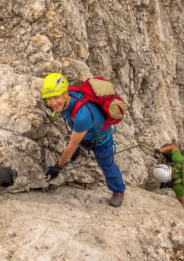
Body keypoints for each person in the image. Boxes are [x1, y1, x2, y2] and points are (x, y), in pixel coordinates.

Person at [40, 72, 126, 207]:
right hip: (84, 133)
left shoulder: (82, 116)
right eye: (49, 99)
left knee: (107, 165)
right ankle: (78, 149)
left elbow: (71, 146)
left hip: (100, 140)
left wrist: (57, 168)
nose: (52, 103)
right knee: (74, 144)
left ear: (65, 93)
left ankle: (118, 190)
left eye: (56, 97)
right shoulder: (68, 96)